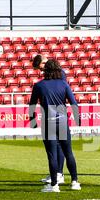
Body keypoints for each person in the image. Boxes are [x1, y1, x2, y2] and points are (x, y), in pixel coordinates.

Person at [29, 59, 81, 192]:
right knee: (68, 152)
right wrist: (77, 119)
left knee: (52, 154)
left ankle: (54, 185)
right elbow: (73, 103)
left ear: (45, 71)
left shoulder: (39, 85)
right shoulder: (64, 84)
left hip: (48, 123)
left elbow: (32, 105)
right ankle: (75, 182)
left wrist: (33, 121)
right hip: (62, 121)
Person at [32, 54, 66, 185]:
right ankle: (56, 172)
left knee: (59, 145)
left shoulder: (59, 74)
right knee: (56, 144)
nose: (40, 71)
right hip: (54, 112)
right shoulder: (56, 73)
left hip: (57, 113)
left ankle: (59, 173)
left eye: (40, 67)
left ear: (44, 63)